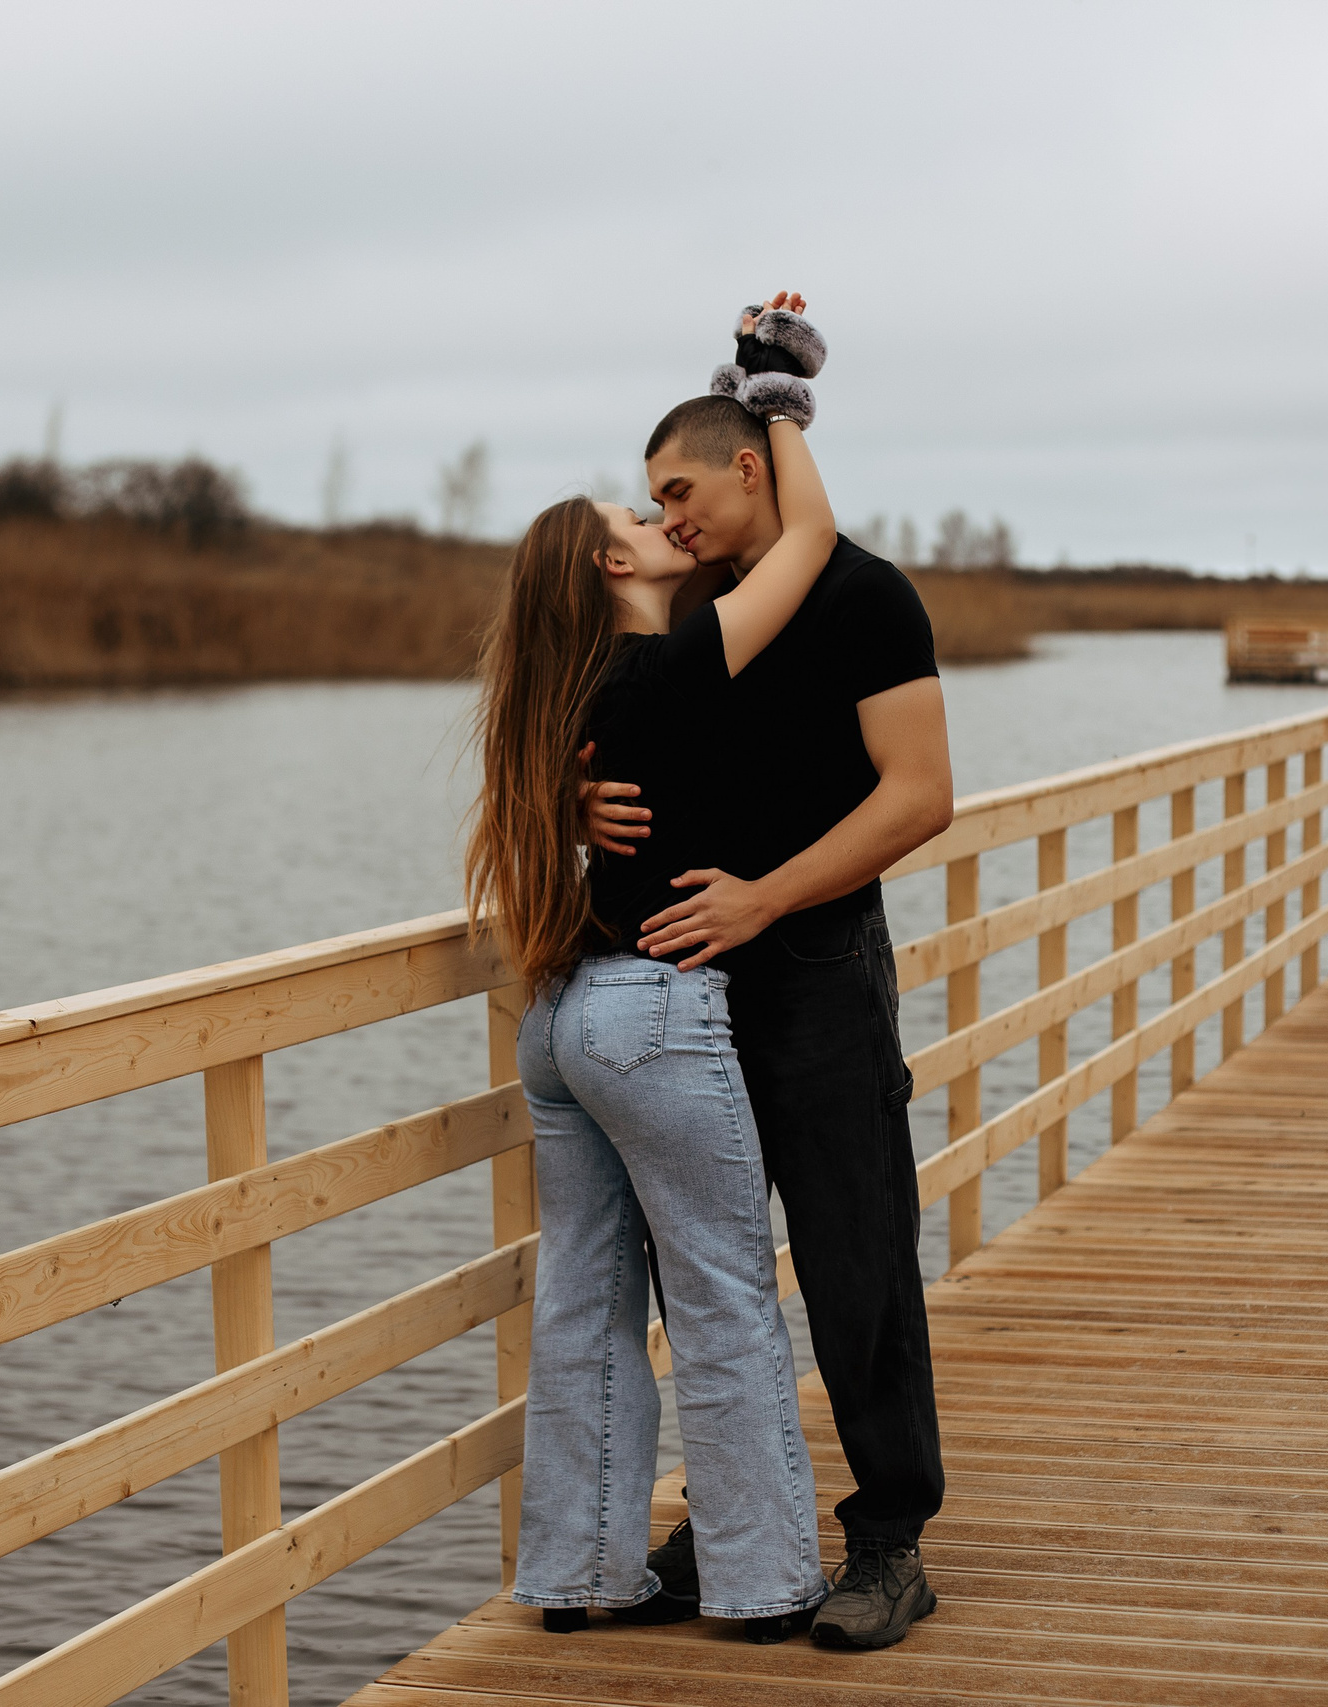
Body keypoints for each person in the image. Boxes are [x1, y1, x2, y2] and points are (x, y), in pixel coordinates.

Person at [464, 297, 839, 1647]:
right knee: (727, 1296)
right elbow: (807, 540)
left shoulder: (572, 704)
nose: (659, 522)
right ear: (609, 577)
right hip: (651, 1016)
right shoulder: (671, 667)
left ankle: (581, 1571)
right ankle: (759, 1581)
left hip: (561, 1017)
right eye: (634, 523)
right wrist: (781, 402)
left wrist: (733, 384)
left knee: (582, 1301)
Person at [583, 368, 955, 1650]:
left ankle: (891, 1539)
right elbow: (600, 749)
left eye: (676, 489)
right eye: (649, 503)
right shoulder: (697, 617)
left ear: (749, 466)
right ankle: (740, 1521)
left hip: (815, 977)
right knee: (709, 1277)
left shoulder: (860, 596)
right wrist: (573, 804)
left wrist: (765, 903)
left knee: (856, 1262)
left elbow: (917, 797)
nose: (665, 517)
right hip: (684, 997)